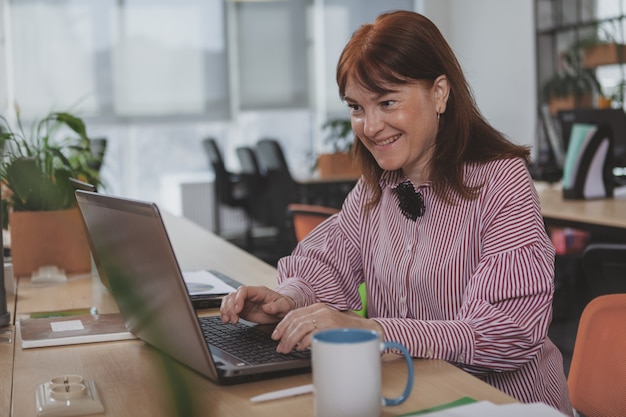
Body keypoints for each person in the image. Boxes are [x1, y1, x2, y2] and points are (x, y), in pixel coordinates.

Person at [221, 10, 572, 415]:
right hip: (412, 394)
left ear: (439, 93)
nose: (370, 126)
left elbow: (505, 334)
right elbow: (329, 265)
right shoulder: (377, 186)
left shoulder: (501, 182)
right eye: (356, 107)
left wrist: (375, 331)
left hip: (502, 403)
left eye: (387, 102)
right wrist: (285, 300)